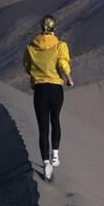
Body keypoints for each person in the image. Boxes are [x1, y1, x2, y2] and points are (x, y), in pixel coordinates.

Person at [22, 14, 74, 181]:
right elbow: (62, 63)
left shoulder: (31, 47)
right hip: (56, 89)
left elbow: (27, 67)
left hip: (40, 90)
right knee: (55, 120)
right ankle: (55, 155)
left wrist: (36, 73)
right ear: (54, 29)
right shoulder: (60, 45)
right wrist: (69, 78)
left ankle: (46, 164)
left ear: (41, 28)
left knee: (43, 127)